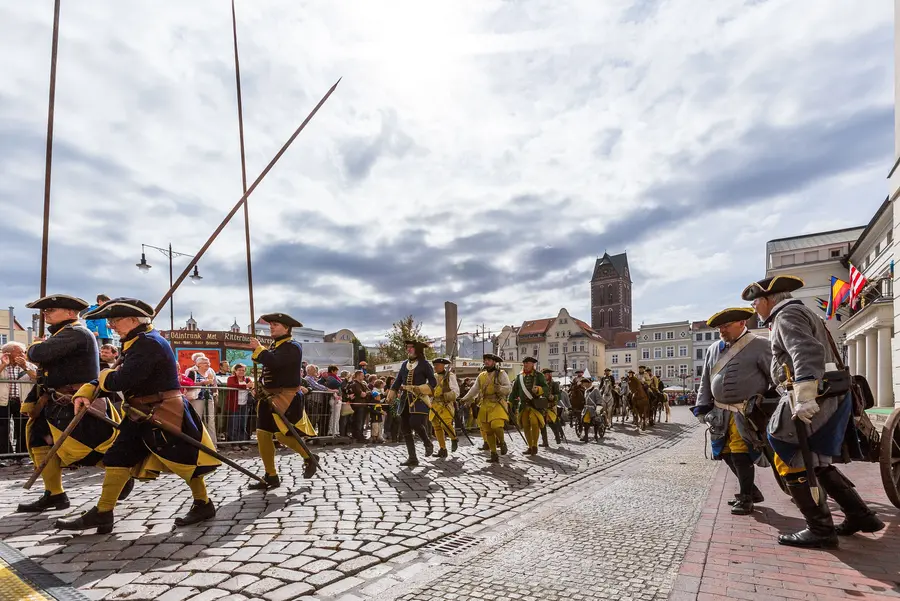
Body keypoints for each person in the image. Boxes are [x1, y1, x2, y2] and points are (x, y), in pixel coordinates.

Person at [743, 275, 884, 547]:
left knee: (785, 450)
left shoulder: (786, 315)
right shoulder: (801, 312)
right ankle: (860, 514)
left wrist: (805, 395)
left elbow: (806, 351)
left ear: (769, 300)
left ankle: (820, 529)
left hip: (811, 395)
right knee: (817, 461)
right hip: (827, 393)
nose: (755, 309)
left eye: (756, 302)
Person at [55, 298, 217, 533]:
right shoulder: (136, 342)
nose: (111, 325)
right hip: (140, 412)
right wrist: (90, 387)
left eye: (115, 320)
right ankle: (103, 512)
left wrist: (102, 377)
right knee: (117, 458)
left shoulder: (147, 343)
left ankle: (204, 503)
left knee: (184, 459)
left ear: (132, 320)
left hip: (163, 411)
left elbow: (121, 379)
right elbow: (114, 374)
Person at [17, 294, 123, 513]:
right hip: (55, 400)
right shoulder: (62, 334)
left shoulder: (76, 332)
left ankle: (122, 474)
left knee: (90, 448)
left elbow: (40, 353)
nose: (46, 314)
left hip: (75, 400)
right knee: (40, 443)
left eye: (51, 311)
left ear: (70, 313)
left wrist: (34, 348)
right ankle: (55, 494)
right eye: (44, 311)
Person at [692, 307, 773, 516]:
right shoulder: (713, 349)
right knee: (724, 452)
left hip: (744, 411)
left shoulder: (760, 345)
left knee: (740, 453)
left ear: (741, 324)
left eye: (726, 326)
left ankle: (746, 498)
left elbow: (775, 378)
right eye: (720, 327)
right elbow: (705, 381)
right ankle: (751, 490)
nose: (722, 330)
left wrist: (768, 406)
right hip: (720, 413)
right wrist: (702, 407)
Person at [247, 313, 318, 489]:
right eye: (270, 324)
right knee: (262, 434)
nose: (271, 327)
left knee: (282, 435)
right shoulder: (275, 346)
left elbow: (275, 362)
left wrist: (259, 348)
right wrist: (260, 384)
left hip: (286, 397)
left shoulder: (292, 346)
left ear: (286, 328)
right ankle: (271, 475)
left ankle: (309, 456)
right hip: (267, 396)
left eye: (276, 325)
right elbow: (268, 368)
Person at [387, 340, 437, 466]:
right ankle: (412, 457)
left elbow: (433, 382)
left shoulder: (425, 364)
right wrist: (391, 393)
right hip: (405, 400)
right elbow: (398, 381)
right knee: (405, 428)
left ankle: (427, 442)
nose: (408, 350)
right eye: (407, 347)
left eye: (411, 348)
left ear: (417, 350)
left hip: (419, 399)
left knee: (415, 423)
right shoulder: (404, 364)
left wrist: (420, 388)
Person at [459, 353, 512, 463]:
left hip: (498, 403)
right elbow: (474, 389)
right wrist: (464, 398)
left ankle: (502, 442)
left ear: (494, 362)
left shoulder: (501, 374)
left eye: (489, 360)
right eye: (485, 360)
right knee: (488, 432)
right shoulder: (481, 375)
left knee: (497, 426)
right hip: (485, 404)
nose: (486, 362)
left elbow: (508, 388)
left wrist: (500, 388)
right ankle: (493, 453)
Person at [0, 341, 36, 456]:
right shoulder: (2, 363)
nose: (22, 355)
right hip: (3, 401)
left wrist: (25, 367)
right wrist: (3, 365)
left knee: (23, 427)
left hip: (22, 401)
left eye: (23, 352)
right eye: (19, 353)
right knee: (3, 429)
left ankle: (23, 454)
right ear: (8, 353)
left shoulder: (28, 365)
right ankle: (5, 455)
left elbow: (37, 379)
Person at [509, 357, 548, 456]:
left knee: (535, 423)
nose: (525, 365)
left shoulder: (539, 375)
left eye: (527, 363)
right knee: (526, 426)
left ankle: (535, 445)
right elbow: (514, 392)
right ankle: (530, 446)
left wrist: (539, 389)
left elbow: (546, 388)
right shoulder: (519, 377)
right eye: (524, 363)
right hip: (523, 405)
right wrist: (509, 402)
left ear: (532, 364)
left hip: (534, 404)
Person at [430, 358, 460, 458]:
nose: (435, 367)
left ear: (443, 366)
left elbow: (456, 391)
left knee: (445, 424)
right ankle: (442, 449)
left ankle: (454, 438)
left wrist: (446, 394)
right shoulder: (433, 377)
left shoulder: (450, 376)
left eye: (437, 365)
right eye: (434, 365)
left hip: (445, 404)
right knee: (437, 427)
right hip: (434, 404)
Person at [226, 364, 253, 443]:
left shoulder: (247, 379)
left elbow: (252, 386)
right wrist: (245, 386)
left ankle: (242, 442)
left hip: (245, 405)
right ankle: (234, 443)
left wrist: (250, 386)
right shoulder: (231, 378)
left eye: (243, 370)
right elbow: (231, 385)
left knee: (243, 425)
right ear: (235, 371)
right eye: (239, 370)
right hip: (234, 405)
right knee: (234, 424)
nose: (241, 372)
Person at [540, 368, 563, 446]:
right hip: (542, 406)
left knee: (551, 424)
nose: (546, 376)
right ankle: (545, 442)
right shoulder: (540, 384)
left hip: (551, 406)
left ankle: (557, 437)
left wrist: (553, 396)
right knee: (542, 424)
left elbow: (559, 395)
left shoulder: (554, 384)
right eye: (544, 374)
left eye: (547, 374)